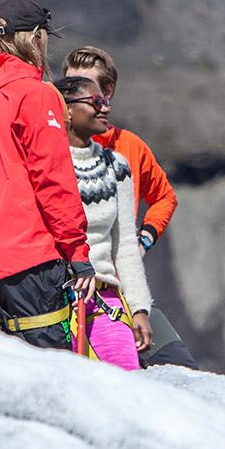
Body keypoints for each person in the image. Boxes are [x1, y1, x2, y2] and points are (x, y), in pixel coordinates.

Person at [0, 0, 94, 348]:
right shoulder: (35, 95)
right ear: (37, 38)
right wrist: (77, 252)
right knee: (47, 383)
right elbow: (53, 180)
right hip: (27, 262)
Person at [61, 45, 199, 369]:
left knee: (179, 368)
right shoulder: (50, 151)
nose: (68, 96)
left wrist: (144, 240)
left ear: (106, 92)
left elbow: (165, 197)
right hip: (74, 289)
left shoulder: (128, 150)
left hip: (121, 285)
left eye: (84, 88)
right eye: (68, 86)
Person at [54, 74, 153, 370]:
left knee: (125, 387)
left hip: (104, 301)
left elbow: (123, 245)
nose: (105, 108)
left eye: (106, 101)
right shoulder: (44, 163)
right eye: (96, 101)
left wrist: (138, 309)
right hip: (54, 301)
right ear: (67, 109)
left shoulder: (116, 166)